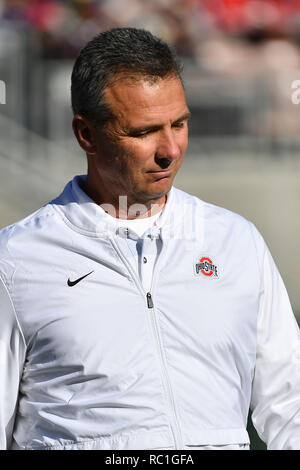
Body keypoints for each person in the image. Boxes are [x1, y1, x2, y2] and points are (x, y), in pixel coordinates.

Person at [0, 27, 300, 451]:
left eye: (179, 124)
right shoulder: (14, 260)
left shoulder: (236, 240)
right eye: (143, 132)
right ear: (85, 133)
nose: (171, 149)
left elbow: (290, 404)